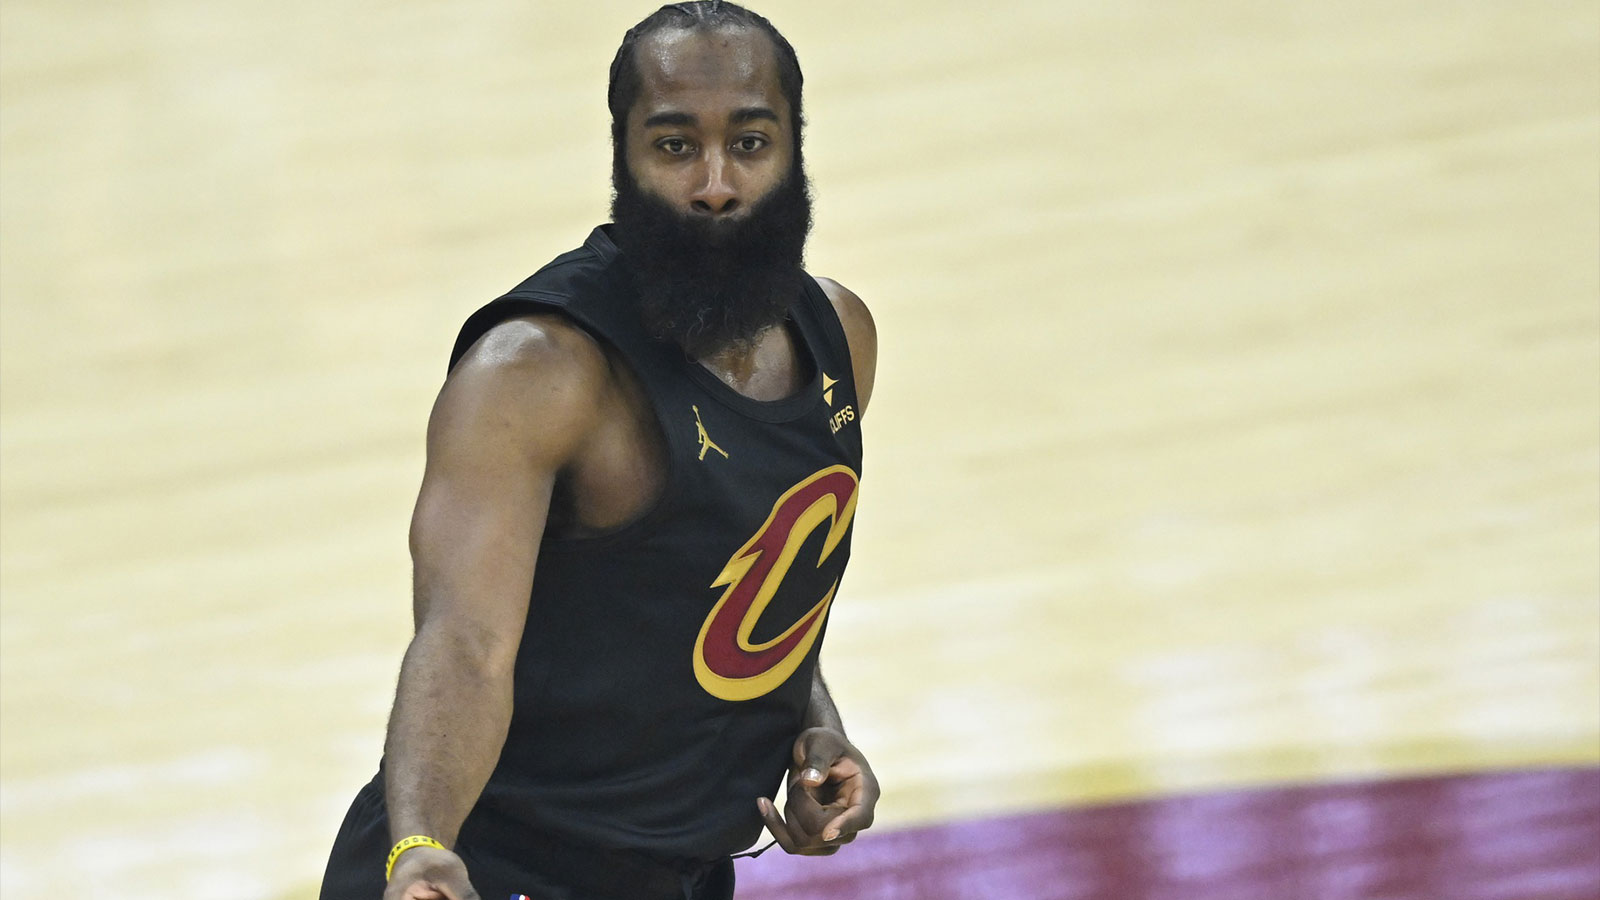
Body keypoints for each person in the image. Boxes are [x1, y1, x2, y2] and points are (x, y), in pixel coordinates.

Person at [318, 3, 880, 898]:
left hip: (680, 874)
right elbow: (463, 640)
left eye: (750, 142)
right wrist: (420, 843)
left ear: (794, 148)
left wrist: (813, 726)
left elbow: (752, 576)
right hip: (492, 870)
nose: (714, 184)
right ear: (622, 154)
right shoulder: (539, 370)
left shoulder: (838, 335)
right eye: (673, 146)